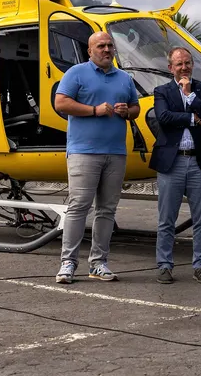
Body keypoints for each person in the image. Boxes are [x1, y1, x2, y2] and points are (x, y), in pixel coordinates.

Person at [53, 31, 140, 284]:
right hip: (83, 152)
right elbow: (60, 103)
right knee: (79, 206)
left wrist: (127, 111)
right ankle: (68, 263)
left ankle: (99, 263)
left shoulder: (124, 78)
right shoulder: (76, 73)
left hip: (115, 153)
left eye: (110, 45)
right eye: (100, 46)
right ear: (90, 51)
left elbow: (136, 108)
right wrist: (94, 110)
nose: (106, 49)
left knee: (107, 210)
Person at [150, 46, 201, 285]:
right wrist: (192, 118)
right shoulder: (162, 91)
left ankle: (200, 266)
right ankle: (164, 265)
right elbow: (164, 117)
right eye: (179, 64)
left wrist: (190, 96)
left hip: (199, 162)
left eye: (188, 63)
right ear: (170, 68)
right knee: (167, 218)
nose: (184, 67)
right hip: (172, 162)